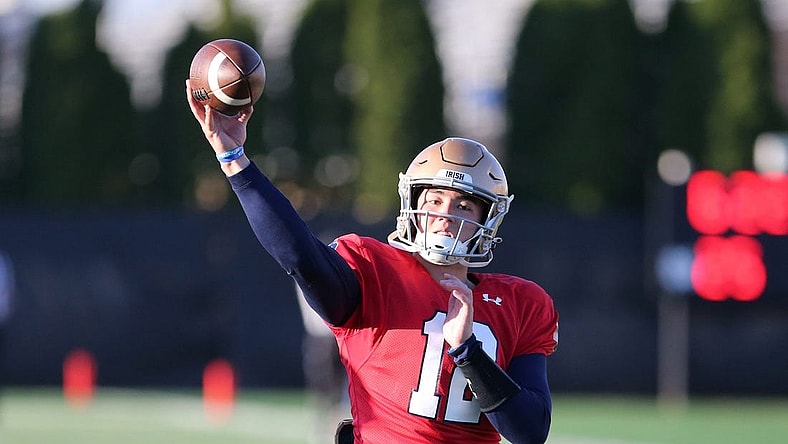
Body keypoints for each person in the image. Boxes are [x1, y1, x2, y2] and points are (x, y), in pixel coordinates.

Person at [186, 82, 559, 444]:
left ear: (488, 218)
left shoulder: (522, 302)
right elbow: (298, 254)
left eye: (463, 205)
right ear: (413, 205)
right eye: (434, 200)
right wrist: (234, 159)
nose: (445, 215)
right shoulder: (372, 271)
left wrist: (467, 351)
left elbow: (530, 431)